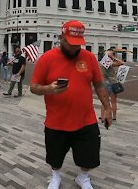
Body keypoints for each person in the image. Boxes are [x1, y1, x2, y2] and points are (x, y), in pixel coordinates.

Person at [30, 20, 113, 189]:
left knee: (89, 156)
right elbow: (33, 87)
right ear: (61, 37)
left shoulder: (89, 57)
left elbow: (98, 84)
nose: (75, 48)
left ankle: (82, 177)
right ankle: (55, 177)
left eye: (78, 44)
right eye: (70, 43)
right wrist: (49, 89)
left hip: (86, 120)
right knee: (55, 156)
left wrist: (107, 108)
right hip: (56, 121)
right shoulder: (47, 58)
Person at [99, 49, 124, 123]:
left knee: (104, 101)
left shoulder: (102, 63)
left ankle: (102, 116)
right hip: (112, 83)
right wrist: (113, 57)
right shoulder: (110, 62)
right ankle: (114, 117)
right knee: (113, 101)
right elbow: (121, 63)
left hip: (104, 83)